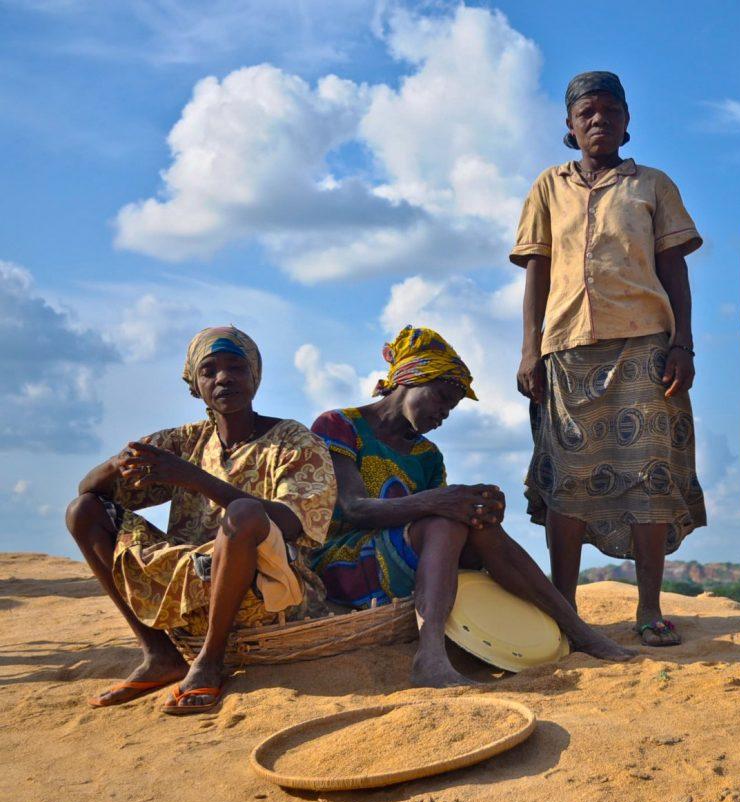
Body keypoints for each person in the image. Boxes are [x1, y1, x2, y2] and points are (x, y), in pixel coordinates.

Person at [310, 325, 633, 688]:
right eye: (441, 398)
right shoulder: (339, 425)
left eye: (452, 406)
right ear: (411, 378)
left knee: (476, 526)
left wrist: (478, 509)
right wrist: (443, 502)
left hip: (404, 559)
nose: (445, 413)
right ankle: (429, 658)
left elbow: (445, 524)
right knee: (445, 522)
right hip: (344, 561)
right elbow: (353, 509)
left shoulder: (427, 455)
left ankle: (577, 630)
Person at [511, 71, 707, 646]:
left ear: (627, 120)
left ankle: (648, 609)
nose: (599, 121)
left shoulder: (653, 185)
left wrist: (683, 344)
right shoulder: (548, 187)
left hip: (646, 346)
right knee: (568, 484)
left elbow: (675, 269)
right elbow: (537, 272)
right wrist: (530, 348)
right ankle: (564, 610)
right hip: (566, 351)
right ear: (570, 128)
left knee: (648, 477)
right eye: (586, 114)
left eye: (610, 112)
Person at [65, 326, 335, 713]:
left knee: (245, 513)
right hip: (188, 591)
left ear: (254, 376)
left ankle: (210, 660)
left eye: (236, 367)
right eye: (209, 370)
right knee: (84, 511)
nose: (223, 378)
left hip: (271, 592)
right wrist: (114, 464)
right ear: (195, 384)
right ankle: (159, 654)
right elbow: (87, 491)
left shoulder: (294, 439)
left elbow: (292, 523)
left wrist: (192, 478)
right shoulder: (184, 442)